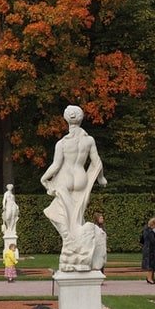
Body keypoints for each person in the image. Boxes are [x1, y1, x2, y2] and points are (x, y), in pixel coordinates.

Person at [41, 105, 107, 271]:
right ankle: (77, 244)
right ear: (80, 118)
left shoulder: (62, 143)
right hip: (81, 178)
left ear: (66, 119)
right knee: (77, 216)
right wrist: (100, 178)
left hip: (66, 179)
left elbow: (56, 166)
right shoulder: (88, 140)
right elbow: (96, 162)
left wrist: (44, 178)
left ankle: (73, 244)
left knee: (57, 212)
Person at [141, 217, 155, 284]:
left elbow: (142, 240)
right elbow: (153, 241)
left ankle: (151, 278)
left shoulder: (145, 230)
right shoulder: (149, 231)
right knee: (150, 265)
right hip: (150, 250)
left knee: (152, 264)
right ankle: (149, 279)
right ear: (153, 224)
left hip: (147, 249)